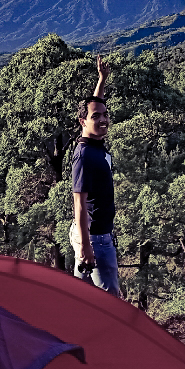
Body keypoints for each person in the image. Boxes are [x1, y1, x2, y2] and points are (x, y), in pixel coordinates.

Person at [70, 55, 120, 296]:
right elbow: (79, 204)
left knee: (83, 299)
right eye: (95, 117)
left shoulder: (94, 143)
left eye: (105, 115)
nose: (103, 119)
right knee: (111, 301)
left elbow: (95, 103)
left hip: (95, 236)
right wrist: (87, 246)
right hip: (95, 238)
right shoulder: (85, 155)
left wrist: (102, 79)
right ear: (82, 122)